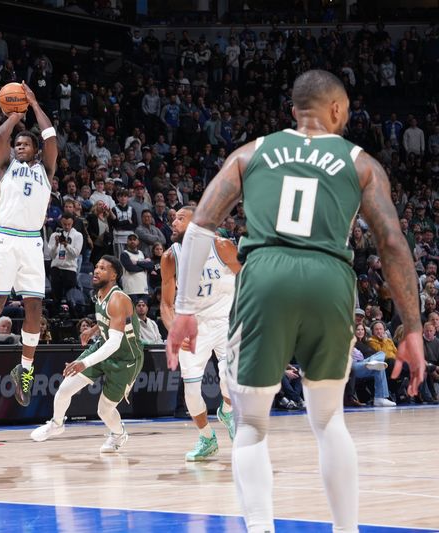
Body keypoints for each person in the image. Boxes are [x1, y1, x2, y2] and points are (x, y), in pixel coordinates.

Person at [166, 70, 424, 533]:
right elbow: (392, 243)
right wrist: (413, 330)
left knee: (252, 426)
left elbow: (202, 224)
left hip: (265, 273)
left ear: (293, 113)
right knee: (328, 419)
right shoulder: (362, 163)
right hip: (330, 277)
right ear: (339, 110)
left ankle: (261, 527)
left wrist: (184, 309)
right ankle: (347, 529)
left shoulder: (251, 152)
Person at [0, 82, 57, 407]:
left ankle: (25, 369)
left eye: (25, 144)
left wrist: (33, 105)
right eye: (18, 143)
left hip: (32, 242)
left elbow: (51, 138)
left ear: (33, 150)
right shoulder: (7, 168)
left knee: (34, 307)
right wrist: (14, 114)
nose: (20, 146)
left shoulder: (46, 170)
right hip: (5, 238)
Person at [31, 256, 141, 453]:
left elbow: (115, 343)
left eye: (103, 268)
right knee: (65, 388)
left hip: (125, 358)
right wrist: (92, 331)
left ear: (114, 275)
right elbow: (108, 322)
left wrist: (84, 362)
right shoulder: (99, 295)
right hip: (104, 347)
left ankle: (118, 434)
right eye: (96, 267)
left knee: (104, 410)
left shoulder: (118, 299)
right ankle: (57, 424)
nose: (96, 271)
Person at [160, 206, 239, 460]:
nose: (174, 222)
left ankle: (227, 410)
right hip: (193, 327)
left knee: (230, 380)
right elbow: (166, 303)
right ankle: (207, 438)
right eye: (174, 218)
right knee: (192, 394)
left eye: (180, 218)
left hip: (225, 322)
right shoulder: (170, 257)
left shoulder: (222, 246)